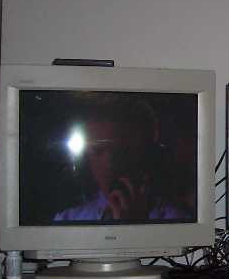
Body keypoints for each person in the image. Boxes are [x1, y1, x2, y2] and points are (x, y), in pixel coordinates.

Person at [53, 94, 189, 222]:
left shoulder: (177, 220)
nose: (109, 163)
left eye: (122, 151)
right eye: (98, 150)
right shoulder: (67, 219)